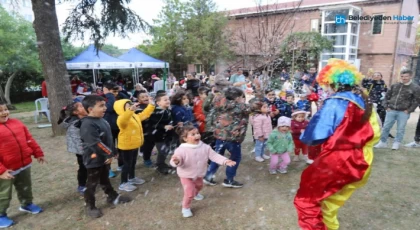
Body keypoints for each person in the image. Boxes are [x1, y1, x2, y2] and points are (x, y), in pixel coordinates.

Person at [294, 59, 381, 230]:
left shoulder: (336, 102)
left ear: (331, 82)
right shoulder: (362, 101)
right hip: (361, 159)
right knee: (328, 203)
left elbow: (314, 136)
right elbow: (375, 133)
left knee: (306, 201)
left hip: (337, 160)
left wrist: (307, 123)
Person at [79, 95, 131, 218]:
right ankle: (90, 206)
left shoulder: (102, 120)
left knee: (104, 178)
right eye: (101, 106)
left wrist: (113, 150)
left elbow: (108, 138)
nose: (105, 108)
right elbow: (95, 143)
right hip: (94, 159)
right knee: (92, 183)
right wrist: (109, 153)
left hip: (104, 157)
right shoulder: (87, 124)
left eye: (104, 105)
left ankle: (112, 197)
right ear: (90, 109)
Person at [170, 125, 236, 218]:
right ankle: (185, 207)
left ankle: (196, 193)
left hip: (199, 174)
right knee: (189, 193)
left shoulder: (205, 147)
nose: (197, 135)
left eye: (197, 133)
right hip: (186, 175)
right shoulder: (181, 149)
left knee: (199, 186)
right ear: (185, 138)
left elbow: (214, 156)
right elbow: (176, 159)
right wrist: (176, 161)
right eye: (193, 134)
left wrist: (225, 161)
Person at [0, 101, 46, 228]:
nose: (4, 112)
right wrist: (1, 171)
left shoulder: (17, 123)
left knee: (25, 187)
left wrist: (38, 153)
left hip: (23, 164)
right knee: (4, 194)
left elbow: (29, 139)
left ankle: (26, 204)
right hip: (5, 171)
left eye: (5, 109)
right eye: (0, 111)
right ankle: (1, 215)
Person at [203, 87, 251, 188]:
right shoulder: (241, 107)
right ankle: (229, 179)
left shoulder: (219, 104)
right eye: (242, 97)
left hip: (220, 136)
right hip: (233, 138)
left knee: (217, 156)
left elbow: (207, 106)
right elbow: (255, 107)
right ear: (237, 98)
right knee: (235, 158)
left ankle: (208, 176)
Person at [114, 98, 155, 192]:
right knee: (127, 164)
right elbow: (123, 121)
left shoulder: (134, 116)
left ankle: (131, 178)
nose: (131, 106)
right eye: (128, 105)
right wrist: (130, 111)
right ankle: (123, 183)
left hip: (134, 144)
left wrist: (151, 105)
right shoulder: (121, 118)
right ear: (122, 108)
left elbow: (144, 114)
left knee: (133, 163)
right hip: (126, 145)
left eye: (131, 104)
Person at [374, 69, 420, 150]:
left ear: (410, 76)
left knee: (400, 128)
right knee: (386, 127)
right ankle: (382, 142)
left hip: (403, 112)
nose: (404, 78)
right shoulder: (395, 85)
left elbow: (416, 101)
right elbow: (386, 97)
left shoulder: (415, 87)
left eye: (406, 76)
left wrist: (409, 110)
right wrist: (386, 106)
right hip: (391, 110)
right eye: (402, 76)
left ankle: (396, 143)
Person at [58, 102, 88, 194]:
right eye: (82, 106)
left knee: (89, 166)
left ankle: (90, 181)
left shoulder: (82, 119)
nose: (85, 107)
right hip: (82, 150)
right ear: (76, 112)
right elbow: (78, 140)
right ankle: (81, 185)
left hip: (86, 147)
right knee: (83, 167)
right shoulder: (76, 123)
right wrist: (84, 150)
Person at [143, 94, 175, 175]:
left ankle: (163, 163)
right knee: (162, 151)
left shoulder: (168, 110)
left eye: (168, 99)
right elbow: (152, 124)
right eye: (165, 100)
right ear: (158, 103)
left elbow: (170, 121)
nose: (168, 101)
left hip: (167, 135)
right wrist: (164, 126)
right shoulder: (156, 112)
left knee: (166, 150)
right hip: (158, 136)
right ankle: (160, 165)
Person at [102, 82, 122, 177]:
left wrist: (120, 92)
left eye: (116, 90)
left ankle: (121, 164)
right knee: (108, 149)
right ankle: (108, 169)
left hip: (119, 126)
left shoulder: (118, 97)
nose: (115, 92)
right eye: (113, 91)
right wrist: (109, 95)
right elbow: (109, 108)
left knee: (122, 147)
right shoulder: (103, 98)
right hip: (108, 128)